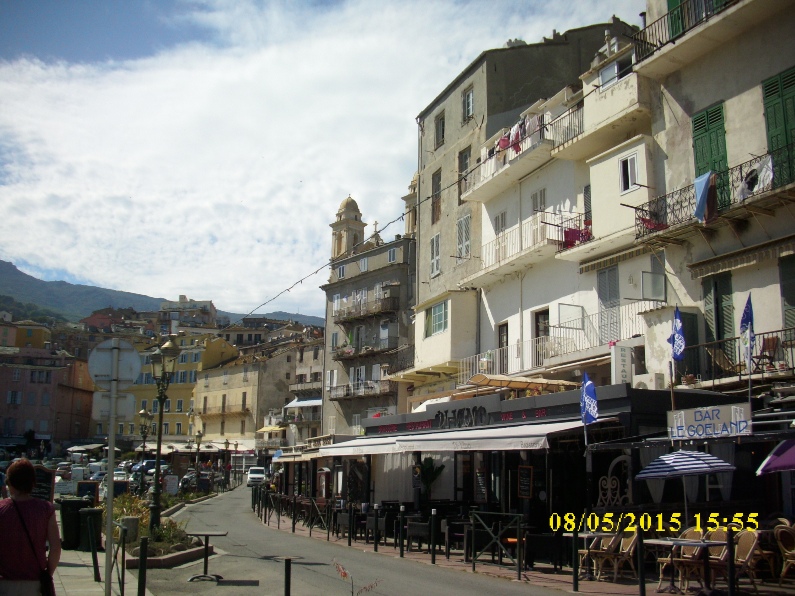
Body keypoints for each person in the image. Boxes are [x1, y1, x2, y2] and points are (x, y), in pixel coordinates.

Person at [0, 459, 61, 594]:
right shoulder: (45, 509)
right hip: (35, 582)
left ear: (10, 483)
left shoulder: (2, 509)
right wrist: (48, 573)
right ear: (32, 483)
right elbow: (55, 547)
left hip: (4, 584)